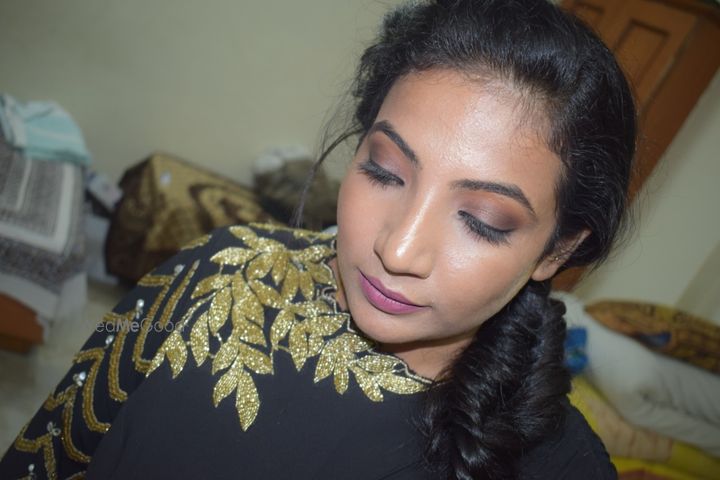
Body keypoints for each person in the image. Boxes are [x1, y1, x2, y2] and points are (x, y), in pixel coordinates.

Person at [0, 0, 635, 478]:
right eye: (385, 172)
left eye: (483, 221)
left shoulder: (564, 467)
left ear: (557, 250)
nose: (398, 250)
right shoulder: (222, 272)